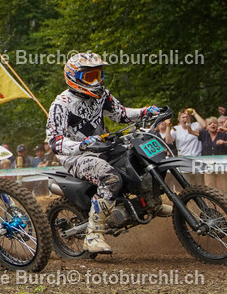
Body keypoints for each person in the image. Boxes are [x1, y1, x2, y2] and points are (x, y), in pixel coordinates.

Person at [46, 52, 169, 255]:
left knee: (139, 158)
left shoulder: (102, 95)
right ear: (73, 77)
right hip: (76, 156)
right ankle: (93, 234)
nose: (96, 81)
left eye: (98, 75)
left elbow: (121, 114)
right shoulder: (61, 104)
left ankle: (152, 203)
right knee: (110, 178)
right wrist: (83, 145)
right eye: (89, 77)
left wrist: (145, 111)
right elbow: (55, 142)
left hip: (103, 147)